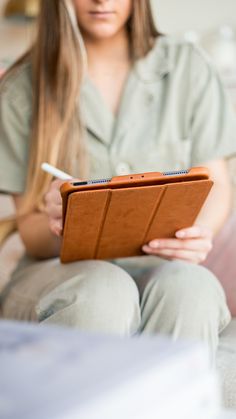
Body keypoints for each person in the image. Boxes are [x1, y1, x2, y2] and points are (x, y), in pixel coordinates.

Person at [0, 0, 236, 362]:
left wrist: (195, 236)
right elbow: (31, 232)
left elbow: (216, 183)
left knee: (192, 286)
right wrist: (63, 220)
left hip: (161, 268)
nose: (101, 0)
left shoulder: (188, 67)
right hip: (58, 273)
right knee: (103, 290)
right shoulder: (21, 88)